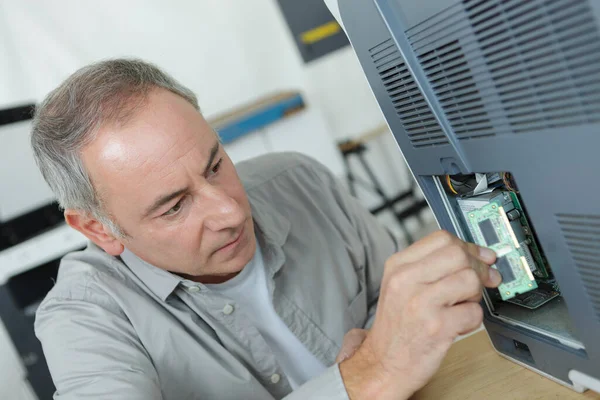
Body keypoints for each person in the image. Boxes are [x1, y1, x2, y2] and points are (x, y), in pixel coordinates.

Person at [32, 59, 502, 400]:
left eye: (215, 165)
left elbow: (387, 301)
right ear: (98, 229)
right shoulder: (84, 316)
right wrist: (368, 375)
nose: (231, 213)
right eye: (175, 207)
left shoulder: (299, 181)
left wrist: (395, 327)